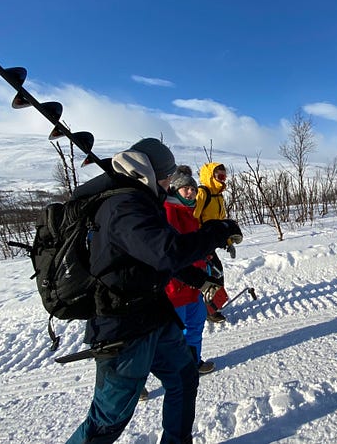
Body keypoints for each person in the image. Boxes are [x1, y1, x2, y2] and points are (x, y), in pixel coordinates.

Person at [66, 138, 241, 444]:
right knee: (110, 418)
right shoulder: (124, 207)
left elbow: (156, 258)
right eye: (166, 176)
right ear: (147, 170)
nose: (167, 183)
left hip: (153, 315)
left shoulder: (140, 201)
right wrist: (218, 230)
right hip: (122, 326)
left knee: (185, 379)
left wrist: (199, 281)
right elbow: (166, 252)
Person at [163, 165, 216, 375]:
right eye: (187, 189)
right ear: (175, 189)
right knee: (171, 334)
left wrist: (205, 255)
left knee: (195, 325)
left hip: (195, 284)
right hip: (174, 286)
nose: (191, 192)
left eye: (193, 189)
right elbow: (171, 251)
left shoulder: (189, 213)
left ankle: (193, 363)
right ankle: (162, 373)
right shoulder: (168, 211)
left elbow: (192, 244)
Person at [194, 162, 235, 323]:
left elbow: (221, 221)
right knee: (213, 275)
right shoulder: (202, 193)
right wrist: (197, 241)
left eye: (224, 176)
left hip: (212, 242)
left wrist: (228, 241)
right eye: (220, 176)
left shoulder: (219, 195)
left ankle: (210, 307)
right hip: (202, 243)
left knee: (216, 273)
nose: (223, 179)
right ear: (211, 176)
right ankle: (209, 311)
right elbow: (194, 217)